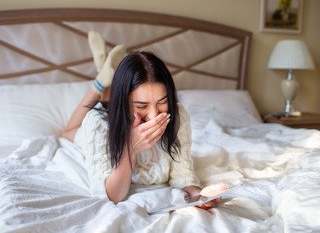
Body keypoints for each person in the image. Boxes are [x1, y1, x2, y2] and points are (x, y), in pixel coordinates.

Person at [62, 31, 226, 209]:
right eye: (142, 106)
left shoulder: (178, 117)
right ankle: (102, 80)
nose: (154, 116)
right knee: (68, 132)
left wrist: (198, 195)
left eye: (162, 103)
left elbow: (182, 175)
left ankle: (108, 76)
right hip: (103, 123)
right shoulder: (98, 124)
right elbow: (112, 197)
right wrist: (131, 148)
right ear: (123, 103)